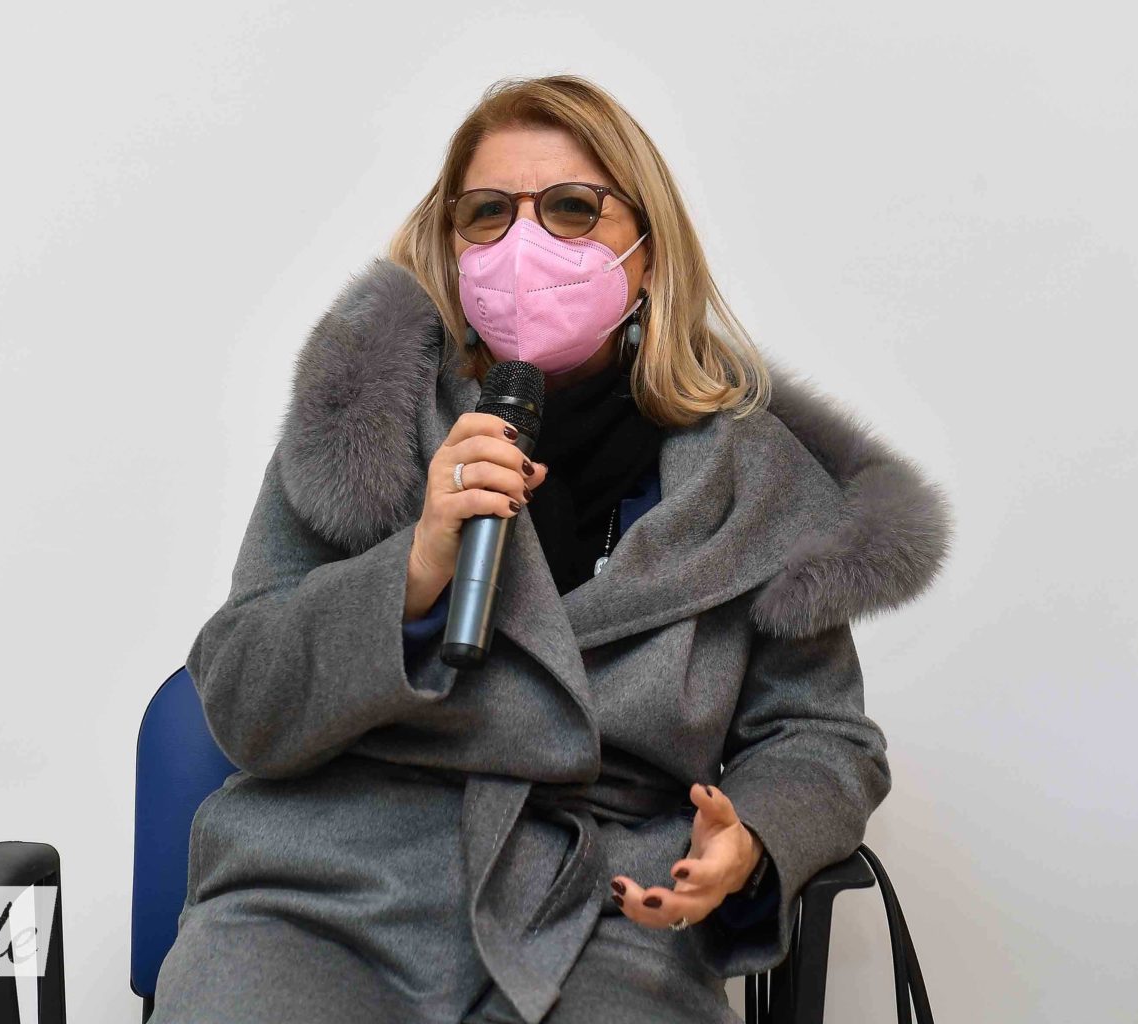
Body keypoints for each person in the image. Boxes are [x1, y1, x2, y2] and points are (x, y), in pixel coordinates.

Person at [150, 75, 953, 1024]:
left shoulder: (756, 482)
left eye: (573, 208)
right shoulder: (364, 417)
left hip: (604, 909)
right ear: (452, 244)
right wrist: (414, 572)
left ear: (648, 251)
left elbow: (821, 737)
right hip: (325, 893)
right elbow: (242, 696)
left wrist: (754, 840)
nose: (523, 245)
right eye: (489, 213)